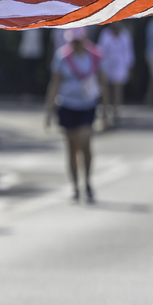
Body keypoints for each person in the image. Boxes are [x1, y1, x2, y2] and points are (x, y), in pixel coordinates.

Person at [44, 28, 106, 203]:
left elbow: (103, 83)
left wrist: (107, 112)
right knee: (72, 147)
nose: (75, 44)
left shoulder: (95, 56)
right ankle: (75, 186)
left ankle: (87, 181)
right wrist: (48, 111)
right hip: (67, 105)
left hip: (87, 106)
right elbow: (54, 84)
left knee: (85, 142)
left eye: (78, 40)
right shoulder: (62, 57)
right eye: (72, 40)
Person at [96, 22, 134, 128]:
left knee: (117, 87)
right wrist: (99, 67)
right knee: (105, 88)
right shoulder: (105, 34)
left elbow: (128, 52)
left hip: (120, 64)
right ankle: (104, 111)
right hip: (106, 64)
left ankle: (116, 111)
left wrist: (129, 66)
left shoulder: (125, 35)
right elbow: (99, 51)